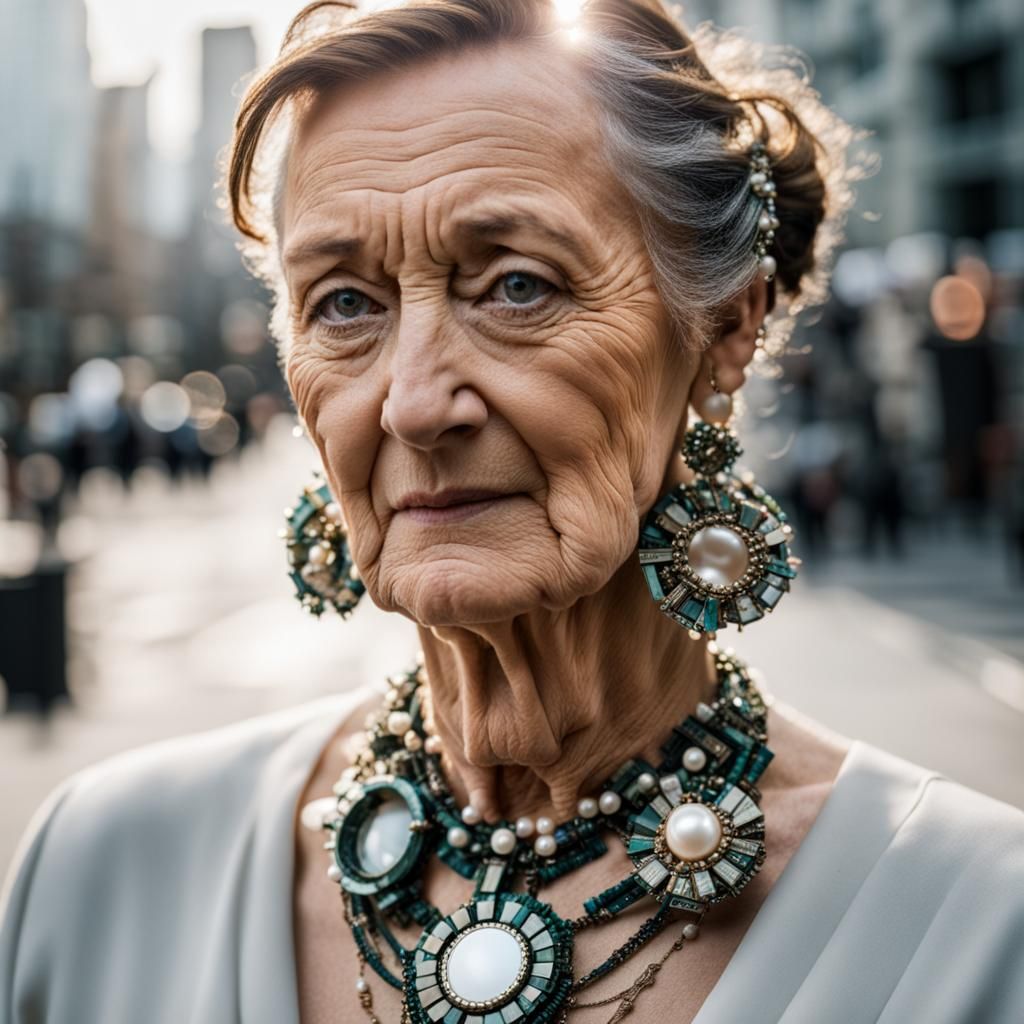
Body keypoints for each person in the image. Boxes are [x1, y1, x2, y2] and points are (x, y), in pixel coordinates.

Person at [3, 2, 1022, 1022]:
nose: (411, 401)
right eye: (345, 304)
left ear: (722, 327)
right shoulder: (102, 874)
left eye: (516, 286)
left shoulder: (975, 929)